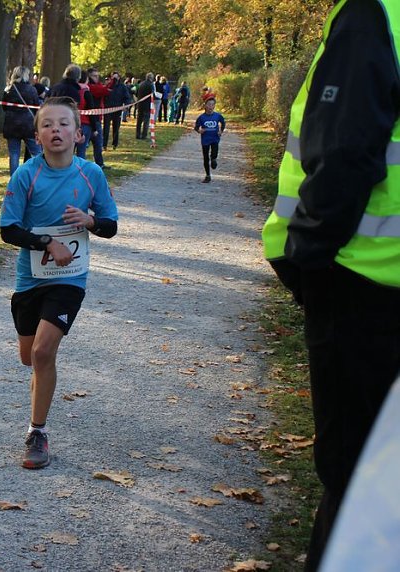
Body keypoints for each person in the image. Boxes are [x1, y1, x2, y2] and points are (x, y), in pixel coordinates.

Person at [261, 1, 400, 569]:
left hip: (363, 284)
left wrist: (307, 261)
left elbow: (344, 153)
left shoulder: (375, 13)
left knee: (357, 481)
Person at [0, 96, 119, 469]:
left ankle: (37, 433)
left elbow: (111, 225)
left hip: (70, 278)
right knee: (28, 357)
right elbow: (8, 230)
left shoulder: (91, 174)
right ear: (36, 136)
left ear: (78, 134)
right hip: (30, 278)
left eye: (64, 124)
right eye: (48, 124)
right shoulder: (25, 174)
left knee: (42, 353)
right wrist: (46, 242)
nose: (56, 130)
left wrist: (90, 222)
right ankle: (40, 397)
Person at [2, 65, 41, 175]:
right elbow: (36, 106)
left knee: (14, 154)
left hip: (11, 125)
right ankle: (40, 173)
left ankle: (14, 177)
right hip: (28, 125)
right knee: (37, 152)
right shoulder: (31, 89)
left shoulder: (8, 89)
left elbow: (4, 107)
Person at [76, 70, 105, 169]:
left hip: (74, 122)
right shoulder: (86, 92)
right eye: (94, 76)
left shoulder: (74, 90)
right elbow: (90, 111)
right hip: (85, 122)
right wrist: (94, 128)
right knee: (81, 148)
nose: (96, 78)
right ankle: (80, 168)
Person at [193, 96, 225, 183]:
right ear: (205, 106)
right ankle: (208, 175)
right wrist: (199, 131)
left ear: (214, 106)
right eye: (209, 104)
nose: (211, 106)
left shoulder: (217, 116)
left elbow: (223, 122)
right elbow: (196, 127)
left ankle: (214, 159)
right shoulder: (201, 117)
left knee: (214, 154)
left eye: (212, 105)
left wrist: (221, 131)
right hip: (205, 139)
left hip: (215, 138)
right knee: (206, 157)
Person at [103, 71, 131, 150]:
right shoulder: (108, 85)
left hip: (117, 109)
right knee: (106, 128)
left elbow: (127, 97)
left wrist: (126, 105)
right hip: (107, 109)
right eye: (113, 77)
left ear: (119, 78)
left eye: (116, 77)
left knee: (116, 128)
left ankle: (115, 144)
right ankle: (104, 144)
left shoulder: (122, 87)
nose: (115, 79)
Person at [135, 72, 154, 139]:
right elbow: (152, 95)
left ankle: (137, 135)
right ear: (151, 78)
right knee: (146, 121)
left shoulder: (141, 84)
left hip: (140, 104)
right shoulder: (151, 85)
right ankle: (144, 135)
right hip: (147, 105)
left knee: (139, 121)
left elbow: (136, 93)